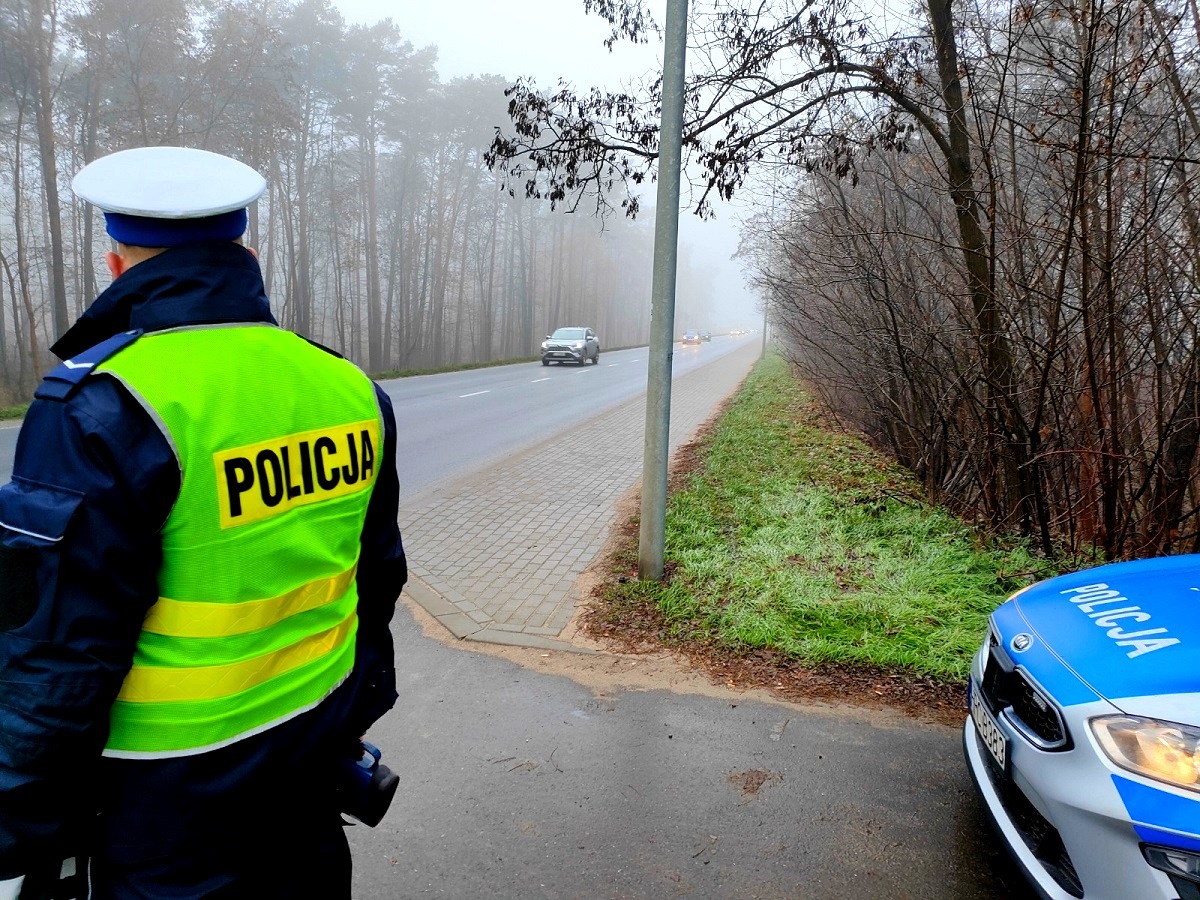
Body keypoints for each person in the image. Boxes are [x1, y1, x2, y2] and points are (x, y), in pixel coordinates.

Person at [0, 146, 407, 899]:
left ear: (117, 269)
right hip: (309, 772)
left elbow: (54, 655)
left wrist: (16, 825)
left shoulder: (100, 403)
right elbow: (376, 581)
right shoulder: (350, 387)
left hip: (161, 810)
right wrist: (347, 721)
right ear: (245, 255)